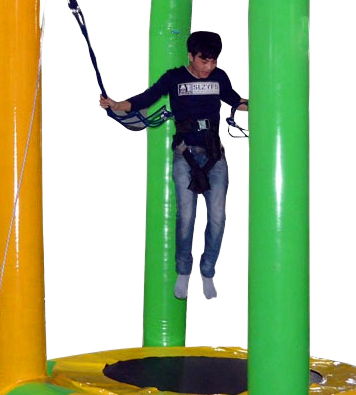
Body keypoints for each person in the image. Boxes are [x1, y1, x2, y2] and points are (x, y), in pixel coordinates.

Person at [100, 31, 247, 300]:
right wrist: (116, 105)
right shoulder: (174, 78)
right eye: (204, 61)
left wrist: (266, 103)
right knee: (186, 217)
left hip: (215, 157)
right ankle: (184, 270)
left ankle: (207, 270)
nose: (209, 67)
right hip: (185, 155)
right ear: (190, 56)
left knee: (218, 217)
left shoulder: (219, 78)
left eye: (213, 61)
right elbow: (146, 98)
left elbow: (236, 101)